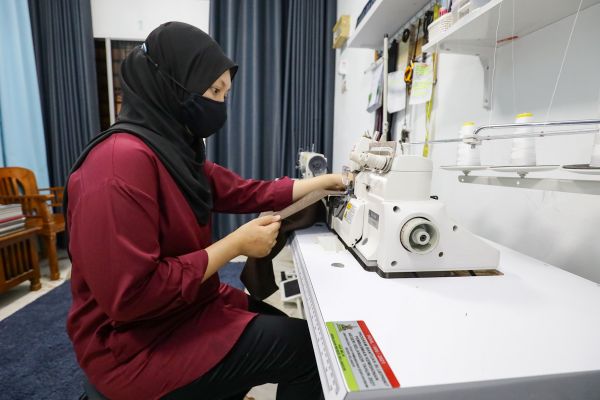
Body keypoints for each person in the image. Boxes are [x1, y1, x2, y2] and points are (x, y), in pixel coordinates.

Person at [65, 22, 344, 400]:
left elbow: (245, 192)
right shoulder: (117, 167)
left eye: (225, 94)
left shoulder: (173, 152)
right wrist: (235, 245)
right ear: (172, 84)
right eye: (214, 91)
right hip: (133, 347)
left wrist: (322, 182)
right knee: (311, 354)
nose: (219, 105)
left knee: (284, 326)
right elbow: (132, 297)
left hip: (180, 310)